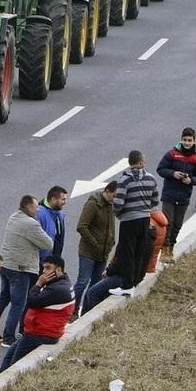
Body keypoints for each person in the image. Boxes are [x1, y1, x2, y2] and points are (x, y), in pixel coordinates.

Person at [0, 255, 74, 372]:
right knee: (9, 355)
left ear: (58, 270)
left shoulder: (57, 289)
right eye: (43, 268)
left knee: (14, 365)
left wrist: (38, 284)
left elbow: (31, 301)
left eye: (48, 268)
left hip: (40, 334)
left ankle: (2, 385)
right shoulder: (60, 283)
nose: (43, 271)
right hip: (36, 331)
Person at [0, 195, 53, 346]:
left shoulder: (13, 217)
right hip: (21, 268)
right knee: (18, 303)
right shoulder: (31, 224)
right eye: (36, 207)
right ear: (28, 207)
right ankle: (9, 337)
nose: (38, 209)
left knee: (4, 298)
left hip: (6, 265)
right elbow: (48, 243)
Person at [110, 150, 159, 295]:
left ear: (130, 162)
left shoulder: (125, 180)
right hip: (144, 219)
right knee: (139, 250)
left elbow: (118, 203)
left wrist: (119, 214)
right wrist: (144, 208)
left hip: (128, 220)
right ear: (141, 161)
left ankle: (127, 285)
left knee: (127, 252)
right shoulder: (151, 178)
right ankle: (135, 282)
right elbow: (155, 200)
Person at [71, 181, 117, 319]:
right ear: (107, 191)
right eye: (114, 195)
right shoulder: (94, 203)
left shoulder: (111, 205)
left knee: (96, 284)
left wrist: (111, 243)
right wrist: (95, 244)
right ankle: (72, 312)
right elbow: (82, 226)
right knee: (82, 282)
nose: (115, 199)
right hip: (88, 252)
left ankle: (86, 311)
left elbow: (111, 227)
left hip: (102, 253)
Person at [155, 127, 196, 263]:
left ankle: (171, 248)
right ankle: (164, 249)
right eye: (185, 140)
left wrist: (191, 180)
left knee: (177, 225)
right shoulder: (172, 154)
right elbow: (160, 169)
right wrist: (173, 174)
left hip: (184, 197)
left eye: (189, 140)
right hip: (169, 195)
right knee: (168, 223)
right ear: (181, 140)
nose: (187, 143)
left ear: (194, 141)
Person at [37, 185, 68, 262]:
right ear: (54, 199)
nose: (65, 202)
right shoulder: (39, 214)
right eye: (63, 199)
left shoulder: (59, 214)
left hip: (53, 261)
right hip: (42, 262)